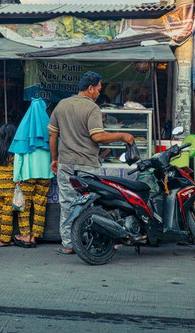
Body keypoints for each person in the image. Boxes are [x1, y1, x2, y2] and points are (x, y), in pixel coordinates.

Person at [49, 71, 134, 255]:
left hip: (66, 163)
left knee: (68, 203)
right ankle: (94, 240)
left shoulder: (61, 105)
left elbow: (52, 134)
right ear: (90, 88)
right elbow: (98, 136)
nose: (99, 92)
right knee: (93, 203)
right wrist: (122, 135)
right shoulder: (92, 108)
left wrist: (54, 159)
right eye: (98, 88)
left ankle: (69, 244)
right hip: (87, 163)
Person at [10, 98, 53, 248]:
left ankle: (25, 235)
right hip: (46, 175)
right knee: (40, 205)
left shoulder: (24, 129)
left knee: (24, 206)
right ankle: (35, 236)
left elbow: (19, 156)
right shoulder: (50, 130)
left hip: (27, 175)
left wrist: (16, 177)